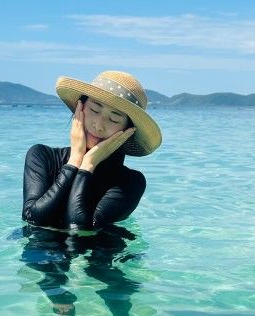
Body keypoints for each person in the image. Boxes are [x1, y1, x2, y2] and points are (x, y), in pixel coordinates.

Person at [22, 70, 162, 231]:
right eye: (95, 109)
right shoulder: (42, 156)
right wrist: (75, 159)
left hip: (98, 254)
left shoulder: (131, 182)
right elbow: (33, 219)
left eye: (114, 118)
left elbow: (78, 228)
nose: (99, 125)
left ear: (128, 131)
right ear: (79, 108)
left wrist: (88, 165)